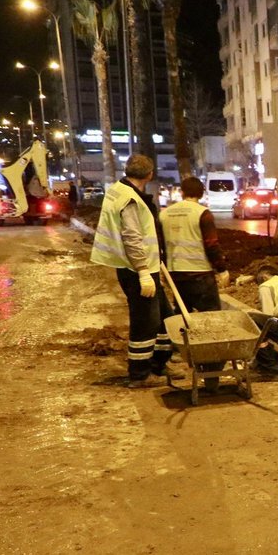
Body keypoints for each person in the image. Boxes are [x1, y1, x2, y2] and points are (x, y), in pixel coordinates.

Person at [90, 154, 177, 387]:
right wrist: (143, 271)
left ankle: (158, 365)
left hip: (143, 267)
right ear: (150, 175)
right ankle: (139, 374)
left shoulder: (119, 191)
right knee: (145, 322)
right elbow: (132, 237)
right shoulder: (129, 199)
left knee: (165, 319)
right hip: (136, 270)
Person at [159, 176, 231, 312]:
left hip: (175, 273)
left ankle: (184, 334)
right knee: (211, 315)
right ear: (201, 193)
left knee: (183, 315)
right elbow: (211, 244)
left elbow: (160, 245)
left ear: (182, 192)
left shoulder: (164, 214)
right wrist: (221, 269)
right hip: (200, 274)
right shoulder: (202, 213)